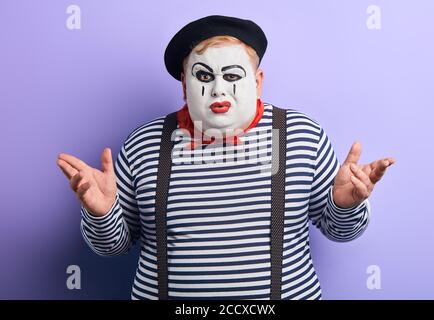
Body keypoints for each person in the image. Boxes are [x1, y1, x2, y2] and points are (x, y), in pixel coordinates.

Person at [56, 15, 395, 300]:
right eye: (204, 76)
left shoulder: (300, 135)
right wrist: (99, 214)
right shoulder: (145, 144)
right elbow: (113, 248)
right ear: (184, 87)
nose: (218, 89)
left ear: (258, 82)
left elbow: (341, 232)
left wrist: (346, 206)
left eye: (232, 75)